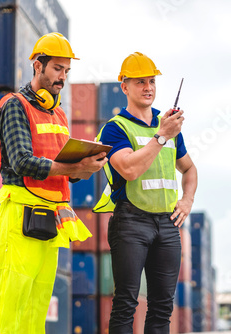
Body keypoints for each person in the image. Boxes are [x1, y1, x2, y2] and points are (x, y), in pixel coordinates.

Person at [0, 32, 107, 334]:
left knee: (38, 305)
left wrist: (84, 169)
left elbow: (64, 170)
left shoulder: (61, 115)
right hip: (20, 216)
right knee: (11, 302)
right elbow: (22, 161)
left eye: (66, 71)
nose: (62, 77)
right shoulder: (14, 105)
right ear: (38, 65)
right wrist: (74, 166)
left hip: (50, 220)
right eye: (56, 69)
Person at [93, 52, 198, 333]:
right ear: (124, 86)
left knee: (163, 307)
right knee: (126, 303)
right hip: (130, 223)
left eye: (151, 81)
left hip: (167, 225)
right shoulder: (115, 129)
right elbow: (128, 170)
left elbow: (190, 170)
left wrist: (187, 201)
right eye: (140, 82)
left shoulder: (170, 129)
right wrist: (161, 136)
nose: (148, 87)